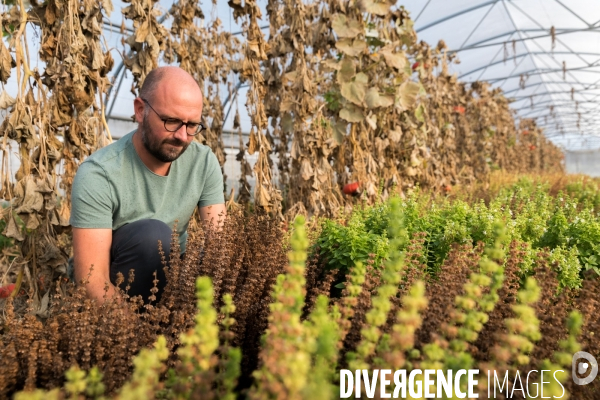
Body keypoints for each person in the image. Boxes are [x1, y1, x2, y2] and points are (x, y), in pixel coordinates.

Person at [70, 66, 226, 304]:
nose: (183, 136)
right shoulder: (99, 173)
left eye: (192, 125)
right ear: (141, 110)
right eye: (171, 121)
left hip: (172, 276)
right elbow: (91, 281)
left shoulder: (202, 162)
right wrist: (140, 334)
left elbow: (219, 243)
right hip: (116, 291)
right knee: (153, 237)